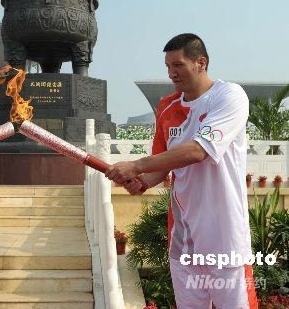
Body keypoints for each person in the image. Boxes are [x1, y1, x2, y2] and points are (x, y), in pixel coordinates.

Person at [105, 33, 257, 308]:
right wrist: (141, 182)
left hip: (224, 236)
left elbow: (199, 151)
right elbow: (161, 164)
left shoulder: (228, 96)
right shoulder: (167, 107)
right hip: (184, 238)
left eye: (178, 65)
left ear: (201, 62)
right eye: (168, 67)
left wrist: (136, 165)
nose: (172, 73)